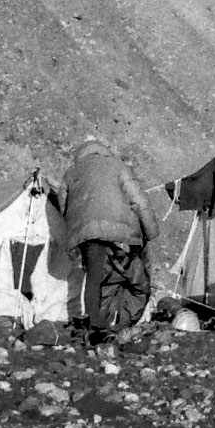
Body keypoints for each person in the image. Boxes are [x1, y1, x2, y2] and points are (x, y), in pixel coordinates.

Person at [60, 139, 158, 342]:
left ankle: (95, 326)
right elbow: (139, 201)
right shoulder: (118, 166)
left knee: (95, 279)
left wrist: (74, 233)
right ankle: (123, 323)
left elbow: (64, 207)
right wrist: (151, 231)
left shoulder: (71, 173)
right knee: (135, 278)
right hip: (122, 234)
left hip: (88, 235)